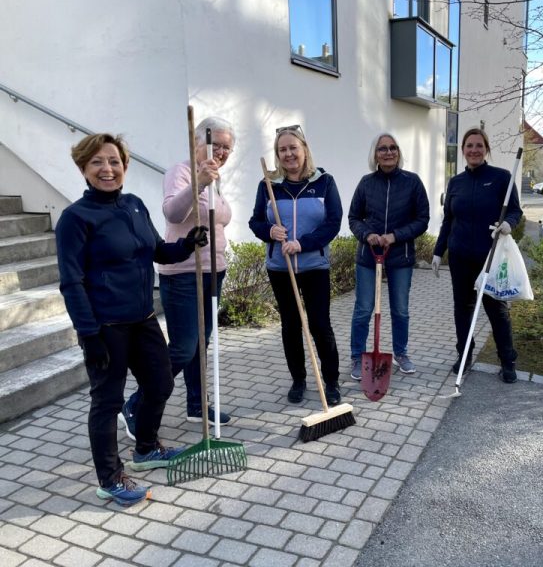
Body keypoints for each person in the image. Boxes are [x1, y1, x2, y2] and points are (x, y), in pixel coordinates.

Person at [56, 133, 206, 506]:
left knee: (159, 383)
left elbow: (158, 251)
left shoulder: (136, 205)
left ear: (125, 166)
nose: (107, 169)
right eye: (97, 162)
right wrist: (88, 335)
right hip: (106, 326)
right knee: (106, 402)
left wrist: (186, 245)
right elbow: (71, 282)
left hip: (142, 318)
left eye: (114, 161)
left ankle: (145, 448)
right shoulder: (75, 218)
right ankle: (110, 478)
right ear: (83, 168)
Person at [120, 117, 235, 440]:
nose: (222, 151)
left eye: (228, 146)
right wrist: (199, 182)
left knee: (202, 344)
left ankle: (197, 405)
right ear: (197, 143)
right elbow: (172, 213)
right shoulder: (182, 172)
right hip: (185, 273)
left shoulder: (216, 177)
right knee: (184, 348)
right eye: (217, 144)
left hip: (215, 272)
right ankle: (136, 404)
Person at [249, 126, 343, 405]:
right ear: (277, 154)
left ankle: (332, 381)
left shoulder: (324, 181)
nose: (288, 154)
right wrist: (270, 232)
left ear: (304, 149)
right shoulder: (268, 184)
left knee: (319, 324)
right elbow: (255, 221)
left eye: (293, 147)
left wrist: (303, 243)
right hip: (280, 267)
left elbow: (333, 222)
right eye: (282, 149)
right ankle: (299, 380)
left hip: (314, 265)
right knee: (290, 325)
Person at [432, 127, 523, 383]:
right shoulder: (456, 182)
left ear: (486, 149)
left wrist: (508, 224)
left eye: (479, 146)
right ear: (463, 151)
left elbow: (515, 211)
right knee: (463, 309)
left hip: (489, 257)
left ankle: (507, 359)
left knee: (497, 309)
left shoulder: (501, 178)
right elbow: (448, 220)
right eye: (469, 146)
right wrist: (439, 252)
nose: (474, 150)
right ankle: (464, 355)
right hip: (460, 257)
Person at [348, 133, 430, 380]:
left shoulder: (412, 182)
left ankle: (401, 353)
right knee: (363, 309)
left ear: (398, 152)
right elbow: (354, 218)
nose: (388, 152)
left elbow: (422, 220)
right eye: (383, 149)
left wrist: (396, 236)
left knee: (400, 310)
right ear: (375, 154)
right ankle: (357, 356)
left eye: (393, 148)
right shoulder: (366, 183)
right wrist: (368, 234)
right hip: (368, 257)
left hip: (400, 258)